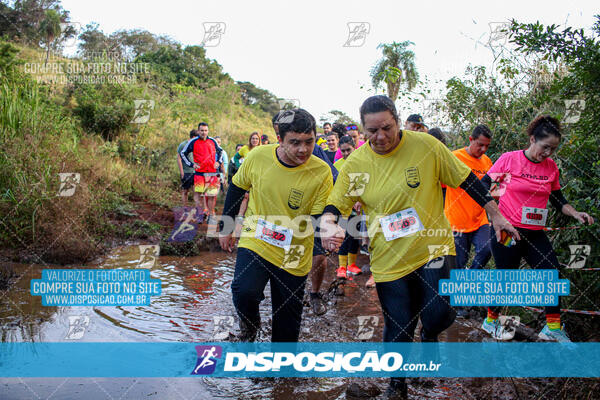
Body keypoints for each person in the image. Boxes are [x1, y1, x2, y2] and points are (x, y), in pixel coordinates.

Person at [320, 95, 519, 397]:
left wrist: (495, 213)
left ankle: (429, 335)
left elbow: (465, 179)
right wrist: (329, 222)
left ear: (397, 121)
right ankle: (396, 385)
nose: (380, 137)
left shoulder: (426, 147)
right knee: (399, 325)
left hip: (433, 248)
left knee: (441, 314)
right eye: (372, 131)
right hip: (389, 257)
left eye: (386, 128)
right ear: (363, 129)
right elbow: (338, 200)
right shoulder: (357, 163)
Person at [218, 108, 333, 342]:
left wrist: (329, 230)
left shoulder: (321, 171)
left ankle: (281, 373)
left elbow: (318, 215)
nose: (303, 149)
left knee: (286, 333)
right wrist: (226, 227)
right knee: (243, 291)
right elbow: (237, 187)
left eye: (309, 142)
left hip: (295, 250)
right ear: (279, 140)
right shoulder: (258, 157)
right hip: (257, 237)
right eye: (295, 143)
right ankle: (250, 329)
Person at [480, 115, 594, 342]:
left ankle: (552, 327)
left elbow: (558, 200)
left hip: (534, 233)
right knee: (506, 279)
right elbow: (484, 187)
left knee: (550, 273)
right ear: (532, 139)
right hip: (507, 231)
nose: (548, 153)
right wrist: (495, 217)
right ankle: (490, 320)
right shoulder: (510, 160)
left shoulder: (550, 168)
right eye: (545, 147)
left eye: (553, 149)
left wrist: (575, 213)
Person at [180, 122, 223, 223]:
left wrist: (218, 162)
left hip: (212, 172)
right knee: (198, 194)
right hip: (199, 173)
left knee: (211, 194)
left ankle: (210, 215)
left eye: (206, 130)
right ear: (198, 131)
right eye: (202, 130)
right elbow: (183, 153)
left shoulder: (212, 141)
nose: (204, 132)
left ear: (208, 131)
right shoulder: (193, 142)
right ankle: (200, 214)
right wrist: (191, 164)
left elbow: (220, 151)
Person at [333, 136, 362, 280]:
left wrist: (359, 199)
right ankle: (342, 267)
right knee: (343, 236)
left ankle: (352, 264)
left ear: (354, 148)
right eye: (342, 151)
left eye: (348, 150)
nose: (345, 153)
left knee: (354, 236)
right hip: (343, 207)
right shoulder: (337, 165)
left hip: (358, 207)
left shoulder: (361, 162)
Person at [177, 129, 197, 207]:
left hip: (195, 172)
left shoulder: (196, 145)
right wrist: (182, 172)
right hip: (186, 171)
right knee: (185, 191)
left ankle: (197, 209)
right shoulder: (183, 145)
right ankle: (185, 208)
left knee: (197, 191)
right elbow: (179, 158)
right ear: (194, 137)